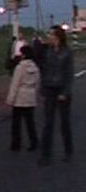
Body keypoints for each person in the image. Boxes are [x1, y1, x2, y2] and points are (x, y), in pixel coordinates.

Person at [39, 25, 74, 166]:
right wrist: (42, 90)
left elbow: (69, 74)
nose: (49, 37)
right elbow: (43, 71)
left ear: (58, 37)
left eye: (51, 35)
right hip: (49, 89)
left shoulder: (67, 52)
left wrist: (65, 92)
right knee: (48, 123)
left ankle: (68, 151)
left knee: (64, 123)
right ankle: (46, 155)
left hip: (62, 89)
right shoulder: (47, 52)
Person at [5, 46, 40, 151]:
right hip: (30, 97)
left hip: (20, 98)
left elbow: (15, 85)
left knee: (16, 123)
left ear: (23, 55)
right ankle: (34, 142)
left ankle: (16, 144)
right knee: (30, 122)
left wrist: (10, 99)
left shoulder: (20, 68)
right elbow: (37, 84)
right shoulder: (35, 68)